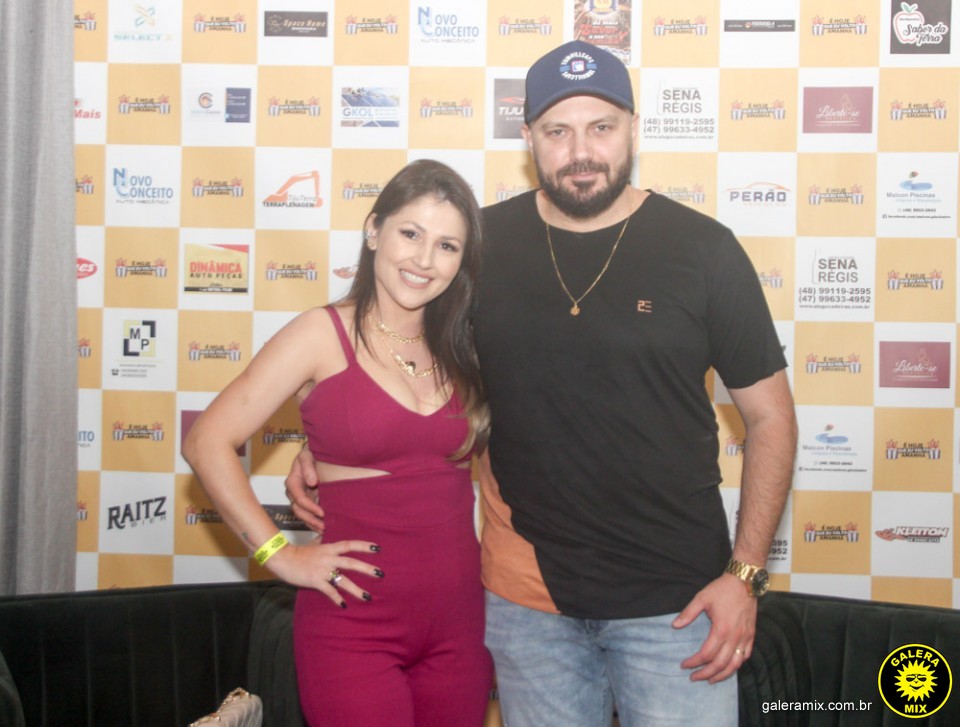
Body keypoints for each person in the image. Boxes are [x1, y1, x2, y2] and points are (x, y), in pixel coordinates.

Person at [287, 40, 797, 726]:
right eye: (557, 131)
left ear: (634, 129)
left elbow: (771, 418)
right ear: (528, 138)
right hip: (528, 608)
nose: (580, 151)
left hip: (678, 608)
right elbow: (403, 358)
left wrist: (745, 576)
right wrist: (327, 444)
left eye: (601, 127)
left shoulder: (704, 249)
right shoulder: (478, 248)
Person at [183, 159, 493, 727]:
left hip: (461, 625)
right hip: (352, 624)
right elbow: (207, 441)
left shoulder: (465, 347)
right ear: (374, 231)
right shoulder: (320, 334)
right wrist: (279, 555)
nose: (424, 259)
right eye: (410, 234)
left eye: (447, 246)